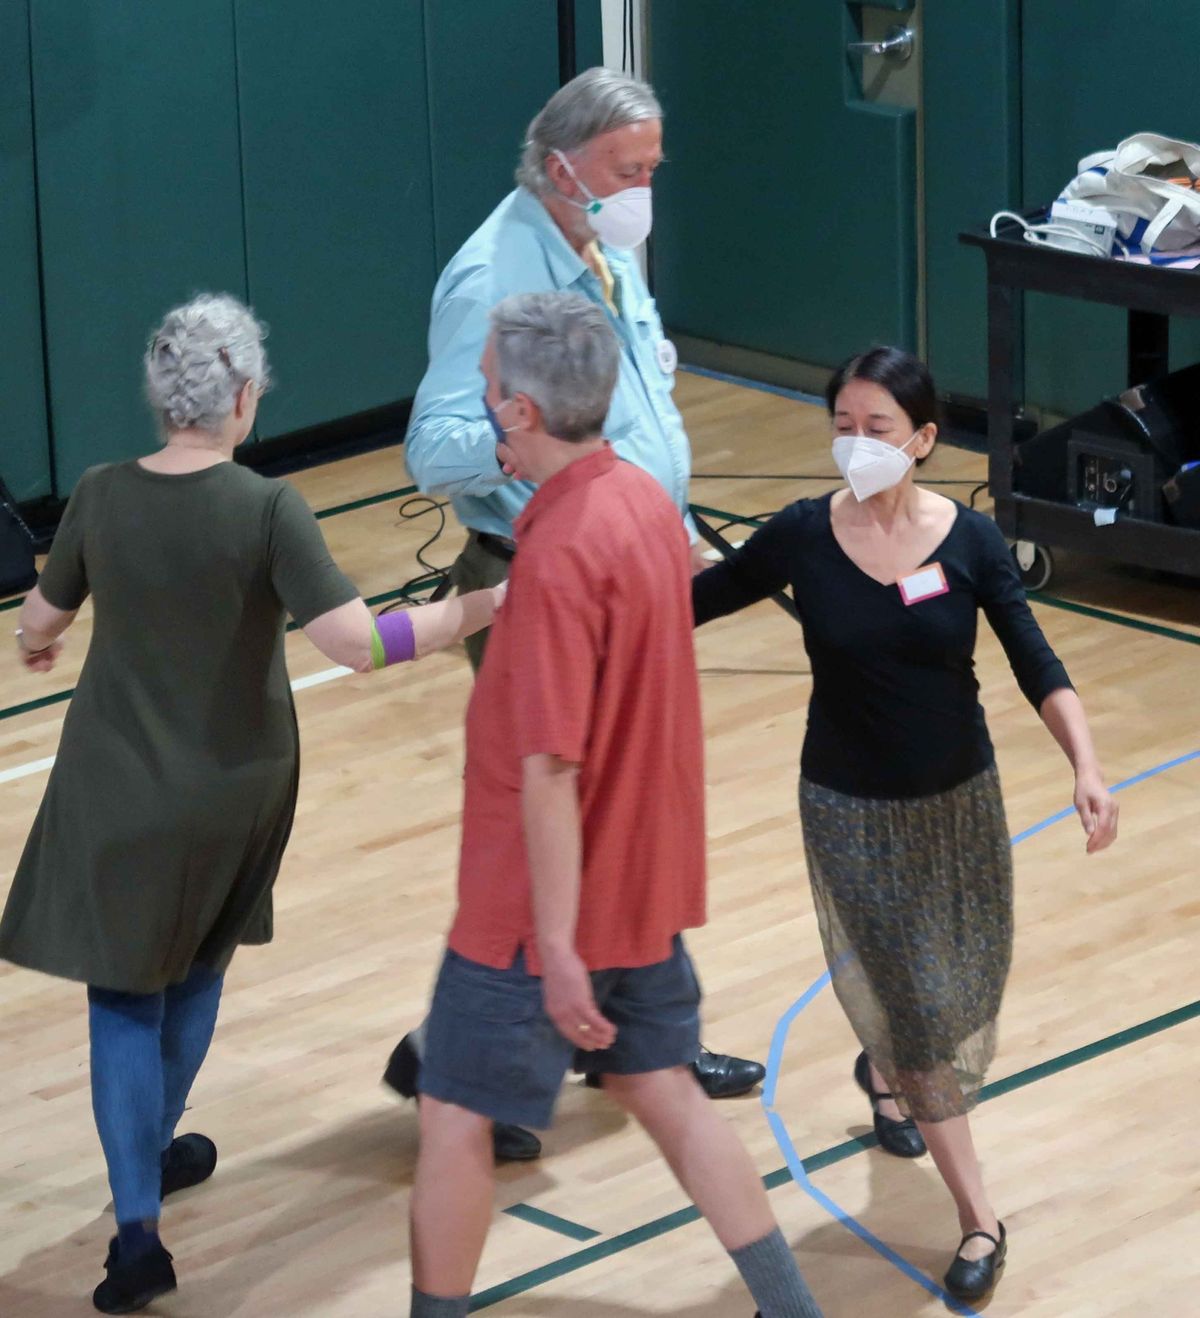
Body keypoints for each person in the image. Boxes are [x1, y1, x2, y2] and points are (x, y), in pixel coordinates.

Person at [0, 295, 504, 1316]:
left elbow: (42, 614)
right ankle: (156, 1137)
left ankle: (135, 1227)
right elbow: (362, 645)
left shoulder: (97, 493)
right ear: (242, 398)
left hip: (116, 785)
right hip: (237, 789)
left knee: (122, 998)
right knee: (196, 972)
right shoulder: (268, 510)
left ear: (160, 397)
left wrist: (38, 639)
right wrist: (486, 604)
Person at [407, 292, 823, 1318]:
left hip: (534, 910)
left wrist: (554, 947)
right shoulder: (643, 503)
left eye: (491, 382)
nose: (484, 393)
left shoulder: (554, 555)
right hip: (641, 882)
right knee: (662, 1086)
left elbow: (552, 765)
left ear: (520, 414)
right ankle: (790, 1307)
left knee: (454, 1114)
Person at [691, 346, 1119, 1303]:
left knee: (957, 989)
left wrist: (1085, 767)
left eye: (876, 428)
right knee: (923, 1013)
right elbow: (689, 605)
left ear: (923, 440)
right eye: (841, 424)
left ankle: (885, 1065)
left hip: (959, 802)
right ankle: (979, 1219)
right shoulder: (801, 535)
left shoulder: (968, 542)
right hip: (845, 807)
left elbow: (1036, 662)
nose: (855, 443)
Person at [392, 65, 764, 1160]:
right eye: (627, 171)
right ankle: (463, 1065)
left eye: (652, 168)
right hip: (540, 583)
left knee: (632, 815)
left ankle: (642, 1037)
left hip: (634, 574)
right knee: (547, 833)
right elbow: (431, 449)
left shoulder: (605, 246)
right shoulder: (491, 277)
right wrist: (518, 423)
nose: (646, 188)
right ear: (562, 167)